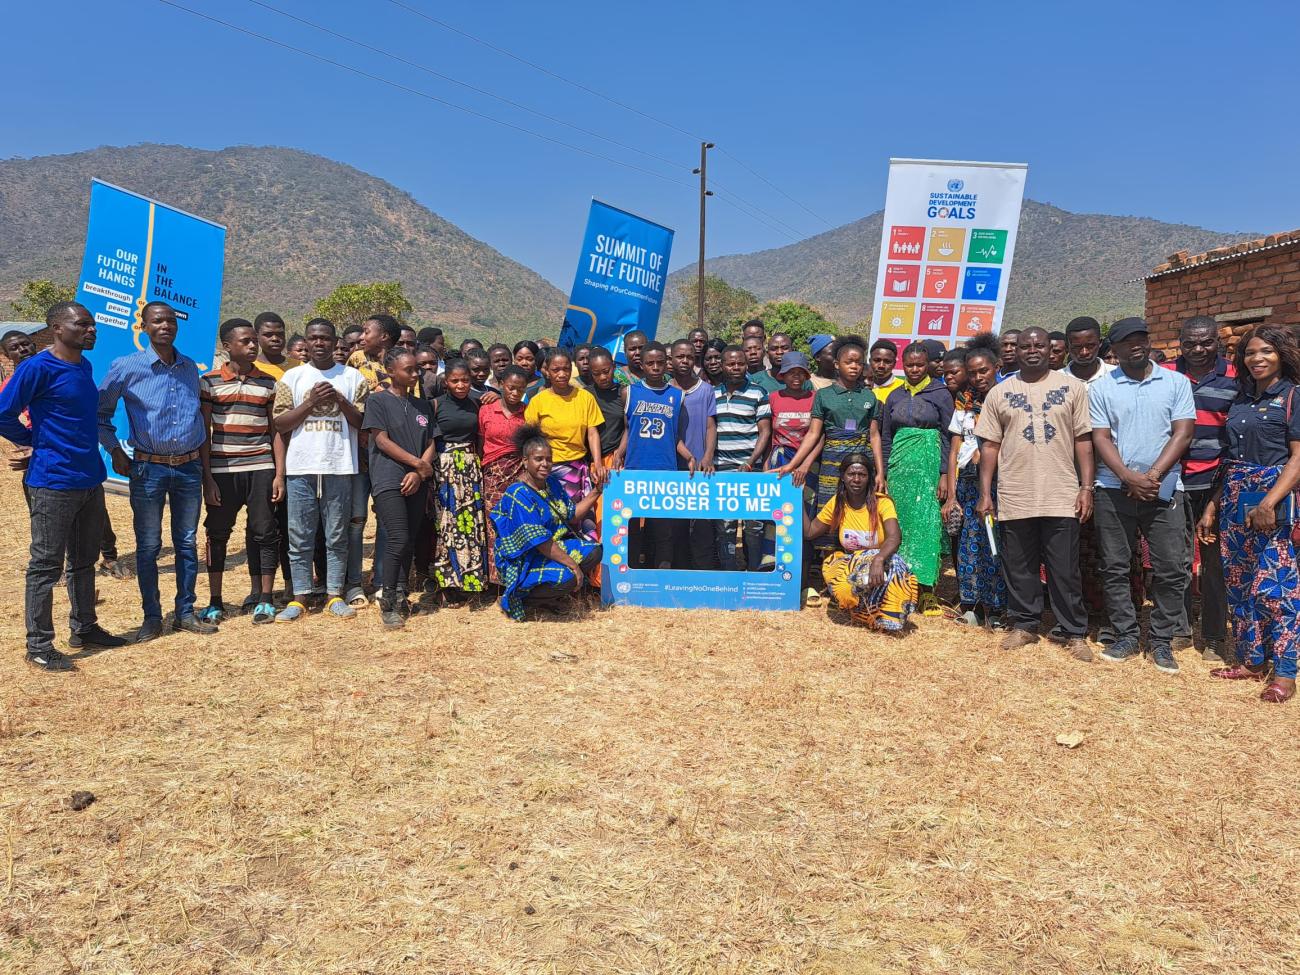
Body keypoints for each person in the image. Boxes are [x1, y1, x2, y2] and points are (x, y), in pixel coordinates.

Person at [0, 302, 127, 671]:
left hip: (89, 478)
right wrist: (32, 439)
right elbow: (3, 411)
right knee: (45, 565)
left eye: (92, 325)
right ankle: (39, 644)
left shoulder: (83, 366)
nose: (92, 331)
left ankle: (85, 627)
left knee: (84, 560)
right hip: (53, 481)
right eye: (82, 324)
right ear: (57, 327)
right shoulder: (37, 367)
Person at [98, 301, 216, 641]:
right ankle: (152, 617)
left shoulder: (189, 367)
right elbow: (100, 415)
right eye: (157, 321)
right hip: (149, 469)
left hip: (189, 467)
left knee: (187, 543)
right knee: (149, 546)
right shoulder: (126, 367)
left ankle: (185, 612)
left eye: (170, 321)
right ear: (144, 327)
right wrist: (115, 451)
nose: (165, 325)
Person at [976, 327, 1095, 660]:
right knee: (1020, 566)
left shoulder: (1073, 388)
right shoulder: (1000, 393)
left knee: (1064, 568)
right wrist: (985, 492)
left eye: (1038, 345)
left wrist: (1086, 487)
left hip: (1061, 492)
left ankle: (1073, 632)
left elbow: (1084, 441)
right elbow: (989, 446)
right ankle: (1026, 625)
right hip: (1015, 493)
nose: (1032, 350)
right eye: (1025, 346)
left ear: (1051, 349)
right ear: (1015, 351)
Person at [1198, 324, 1300, 703]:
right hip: (1235, 501)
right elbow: (1230, 462)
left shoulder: (1293, 397)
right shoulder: (1241, 399)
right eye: (1250, 352)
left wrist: (1269, 503)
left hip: (1275, 502)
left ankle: (1286, 673)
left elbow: (1298, 458)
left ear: (1282, 354)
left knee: (1278, 587)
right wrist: (1212, 505)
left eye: (1266, 352)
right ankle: (1252, 660)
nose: (1257, 358)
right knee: (1240, 583)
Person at [1089, 317, 1196, 674]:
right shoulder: (1103, 388)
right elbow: (1101, 437)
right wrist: (1127, 476)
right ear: (1113, 350)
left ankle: (1162, 640)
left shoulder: (1176, 382)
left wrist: (1151, 476)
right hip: (1112, 488)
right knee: (1115, 566)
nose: (1136, 345)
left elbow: (1183, 432)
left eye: (1141, 339)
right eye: (1126, 341)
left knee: (1172, 567)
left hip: (1164, 488)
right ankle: (1125, 634)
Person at [271, 319, 367, 622]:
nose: (319, 343)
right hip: (301, 465)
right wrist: (311, 402)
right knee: (300, 534)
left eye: (325, 338)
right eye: (313, 338)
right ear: (306, 343)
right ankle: (299, 597)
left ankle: (334, 594)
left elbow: (362, 422)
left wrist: (339, 398)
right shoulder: (292, 377)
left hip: (340, 465)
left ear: (335, 341)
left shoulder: (352, 378)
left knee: (336, 534)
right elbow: (280, 423)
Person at [198, 319, 282, 626]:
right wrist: (207, 478)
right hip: (222, 470)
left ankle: (265, 600)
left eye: (253, 341)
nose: (252, 346)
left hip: (261, 466)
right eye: (245, 341)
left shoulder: (269, 383)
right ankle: (215, 602)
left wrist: (278, 474)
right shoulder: (208, 382)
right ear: (227, 347)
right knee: (217, 534)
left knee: (265, 532)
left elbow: (275, 432)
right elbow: (204, 433)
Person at [1163, 316, 1235, 662]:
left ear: (1217, 341)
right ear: (1180, 342)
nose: (1197, 350)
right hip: (1173, 480)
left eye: (1205, 342)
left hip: (1214, 482)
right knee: (1174, 559)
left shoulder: (1236, 377)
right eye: (1189, 343)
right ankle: (1178, 628)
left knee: (1214, 562)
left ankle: (1214, 636)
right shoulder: (1164, 372)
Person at [776, 336, 885, 554]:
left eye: (858, 362)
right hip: (831, 463)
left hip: (861, 463)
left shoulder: (870, 397)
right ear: (837, 364)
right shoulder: (823, 396)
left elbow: (874, 436)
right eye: (848, 362)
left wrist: (880, 473)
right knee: (830, 507)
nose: (854, 367)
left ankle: (855, 562)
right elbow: (814, 434)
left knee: (858, 508)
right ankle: (830, 565)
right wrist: (793, 465)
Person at [488, 425, 603, 620]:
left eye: (549, 459)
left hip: (552, 547)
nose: (545, 464)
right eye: (538, 459)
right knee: (566, 576)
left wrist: (597, 491)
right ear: (525, 461)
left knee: (594, 551)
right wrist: (574, 566)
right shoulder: (518, 494)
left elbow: (572, 515)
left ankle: (550, 595)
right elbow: (540, 542)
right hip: (525, 559)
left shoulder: (552, 483)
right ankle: (523, 597)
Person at [361, 348, 437, 628]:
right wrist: (417, 464)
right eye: (409, 369)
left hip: (417, 479)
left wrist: (420, 471)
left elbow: (431, 440)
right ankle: (388, 599)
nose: (416, 373)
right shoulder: (378, 401)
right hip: (389, 479)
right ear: (391, 372)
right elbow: (381, 441)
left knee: (409, 538)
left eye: (417, 368)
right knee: (397, 538)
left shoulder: (423, 405)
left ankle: (402, 592)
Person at [804, 453, 917, 631]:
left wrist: (879, 559)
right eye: (851, 474)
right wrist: (797, 497)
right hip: (853, 565)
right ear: (843, 476)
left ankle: (888, 614)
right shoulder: (837, 503)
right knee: (834, 568)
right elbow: (810, 532)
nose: (856, 479)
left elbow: (895, 537)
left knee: (896, 564)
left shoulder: (882, 502)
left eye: (862, 475)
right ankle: (861, 610)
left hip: (881, 564)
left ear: (869, 478)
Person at [881, 342, 954, 614]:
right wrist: (885, 474)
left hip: (928, 469)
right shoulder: (894, 395)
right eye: (909, 365)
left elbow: (949, 437)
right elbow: (886, 436)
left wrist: (945, 475)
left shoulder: (941, 394)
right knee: (899, 526)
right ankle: (899, 587)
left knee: (927, 527)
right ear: (903, 364)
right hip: (899, 470)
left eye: (919, 365)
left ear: (928, 365)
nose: (914, 369)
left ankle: (926, 592)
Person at [943, 336, 1006, 627]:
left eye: (984, 371)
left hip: (999, 483)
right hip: (967, 482)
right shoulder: (963, 404)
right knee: (968, 544)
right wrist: (952, 496)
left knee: (996, 544)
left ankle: (997, 608)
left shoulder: (1008, 398)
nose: (978, 377)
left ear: (996, 367)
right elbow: (955, 450)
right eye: (973, 372)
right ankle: (971, 605)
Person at [346, 315, 404, 606]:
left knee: (385, 521)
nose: (361, 335)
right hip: (359, 454)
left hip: (389, 457)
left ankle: (382, 580)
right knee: (356, 520)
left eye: (367, 331)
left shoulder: (402, 364)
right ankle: (354, 582)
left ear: (384, 337)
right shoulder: (356, 360)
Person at [617, 342, 688, 568]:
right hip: (636, 467)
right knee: (632, 522)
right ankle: (633, 570)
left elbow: (676, 436)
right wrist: (619, 453)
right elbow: (629, 429)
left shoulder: (677, 395)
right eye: (650, 363)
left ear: (666, 364)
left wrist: (690, 456)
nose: (655, 367)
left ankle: (663, 571)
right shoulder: (629, 392)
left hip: (665, 469)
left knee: (662, 525)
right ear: (643, 364)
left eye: (660, 362)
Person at [431, 358, 487, 595]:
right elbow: (430, 440)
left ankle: (472, 581)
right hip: (444, 469)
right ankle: (447, 583)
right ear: (446, 382)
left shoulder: (477, 404)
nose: (461, 385)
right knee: (446, 524)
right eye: (455, 381)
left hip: (471, 468)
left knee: (472, 525)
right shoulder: (434, 405)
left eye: (465, 380)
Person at [714, 345, 772, 570]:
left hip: (751, 468)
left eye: (740, 363)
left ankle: (754, 571)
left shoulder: (758, 393)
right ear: (722, 365)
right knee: (725, 525)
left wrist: (750, 462)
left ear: (746, 365)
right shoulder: (713, 393)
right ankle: (729, 572)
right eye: (731, 363)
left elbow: (765, 432)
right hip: (722, 468)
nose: (736, 367)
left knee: (753, 525)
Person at [524, 349, 605, 509]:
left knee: (580, 518)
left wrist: (597, 463)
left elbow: (592, 433)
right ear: (547, 371)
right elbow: (530, 439)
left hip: (577, 468)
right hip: (546, 469)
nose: (562, 374)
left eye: (566, 369)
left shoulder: (585, 398)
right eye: (556, 370)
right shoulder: (538, 401)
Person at [478, 365, 529, 584]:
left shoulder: (528, 412)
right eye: (511, 388)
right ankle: (496, 578)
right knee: (493, 525)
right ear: (501, 386)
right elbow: (481, 441)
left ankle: (516, 577)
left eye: (520, 389)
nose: (515, 393)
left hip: (519, 475)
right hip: (493, 475)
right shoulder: (486, 410)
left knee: (517, 523)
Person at [671, 338, 719, 570]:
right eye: (680, 356)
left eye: (690, 357)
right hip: (672, 467)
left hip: (700, 468)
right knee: (676, 526)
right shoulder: (665, 390)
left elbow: (711, 426)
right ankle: (680, 574)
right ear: (671, 359)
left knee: (702, 525)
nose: (685, 361)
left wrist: (708, 456)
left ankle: (704, 575)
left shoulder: (706, 390)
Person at [1064, 317, 1111, 387]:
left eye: (1090, 346)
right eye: (1077, 347)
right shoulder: (1056, 379)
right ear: (1067, 347)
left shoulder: (1116, 375)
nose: (1084, 352)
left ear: (1100, 343)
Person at [253, 312, 292, 380]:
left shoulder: (300, 367)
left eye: (280, 334)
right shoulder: (249, 369)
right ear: (256, 336)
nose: (275, 339)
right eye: (268, 334)